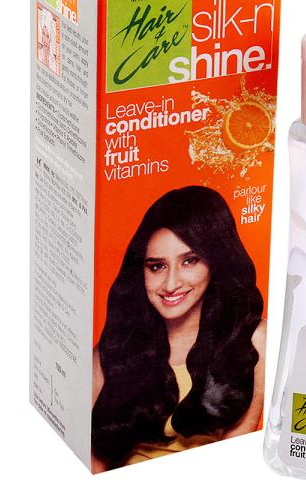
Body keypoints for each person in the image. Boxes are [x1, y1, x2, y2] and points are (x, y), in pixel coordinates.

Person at [91, 186, 266, 471]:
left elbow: (236, 454)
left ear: (215, 262)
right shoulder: (114, 347)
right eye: (157, 267)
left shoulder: (251, 338)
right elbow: (93, 462)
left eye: (189, 261)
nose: (171, 284)